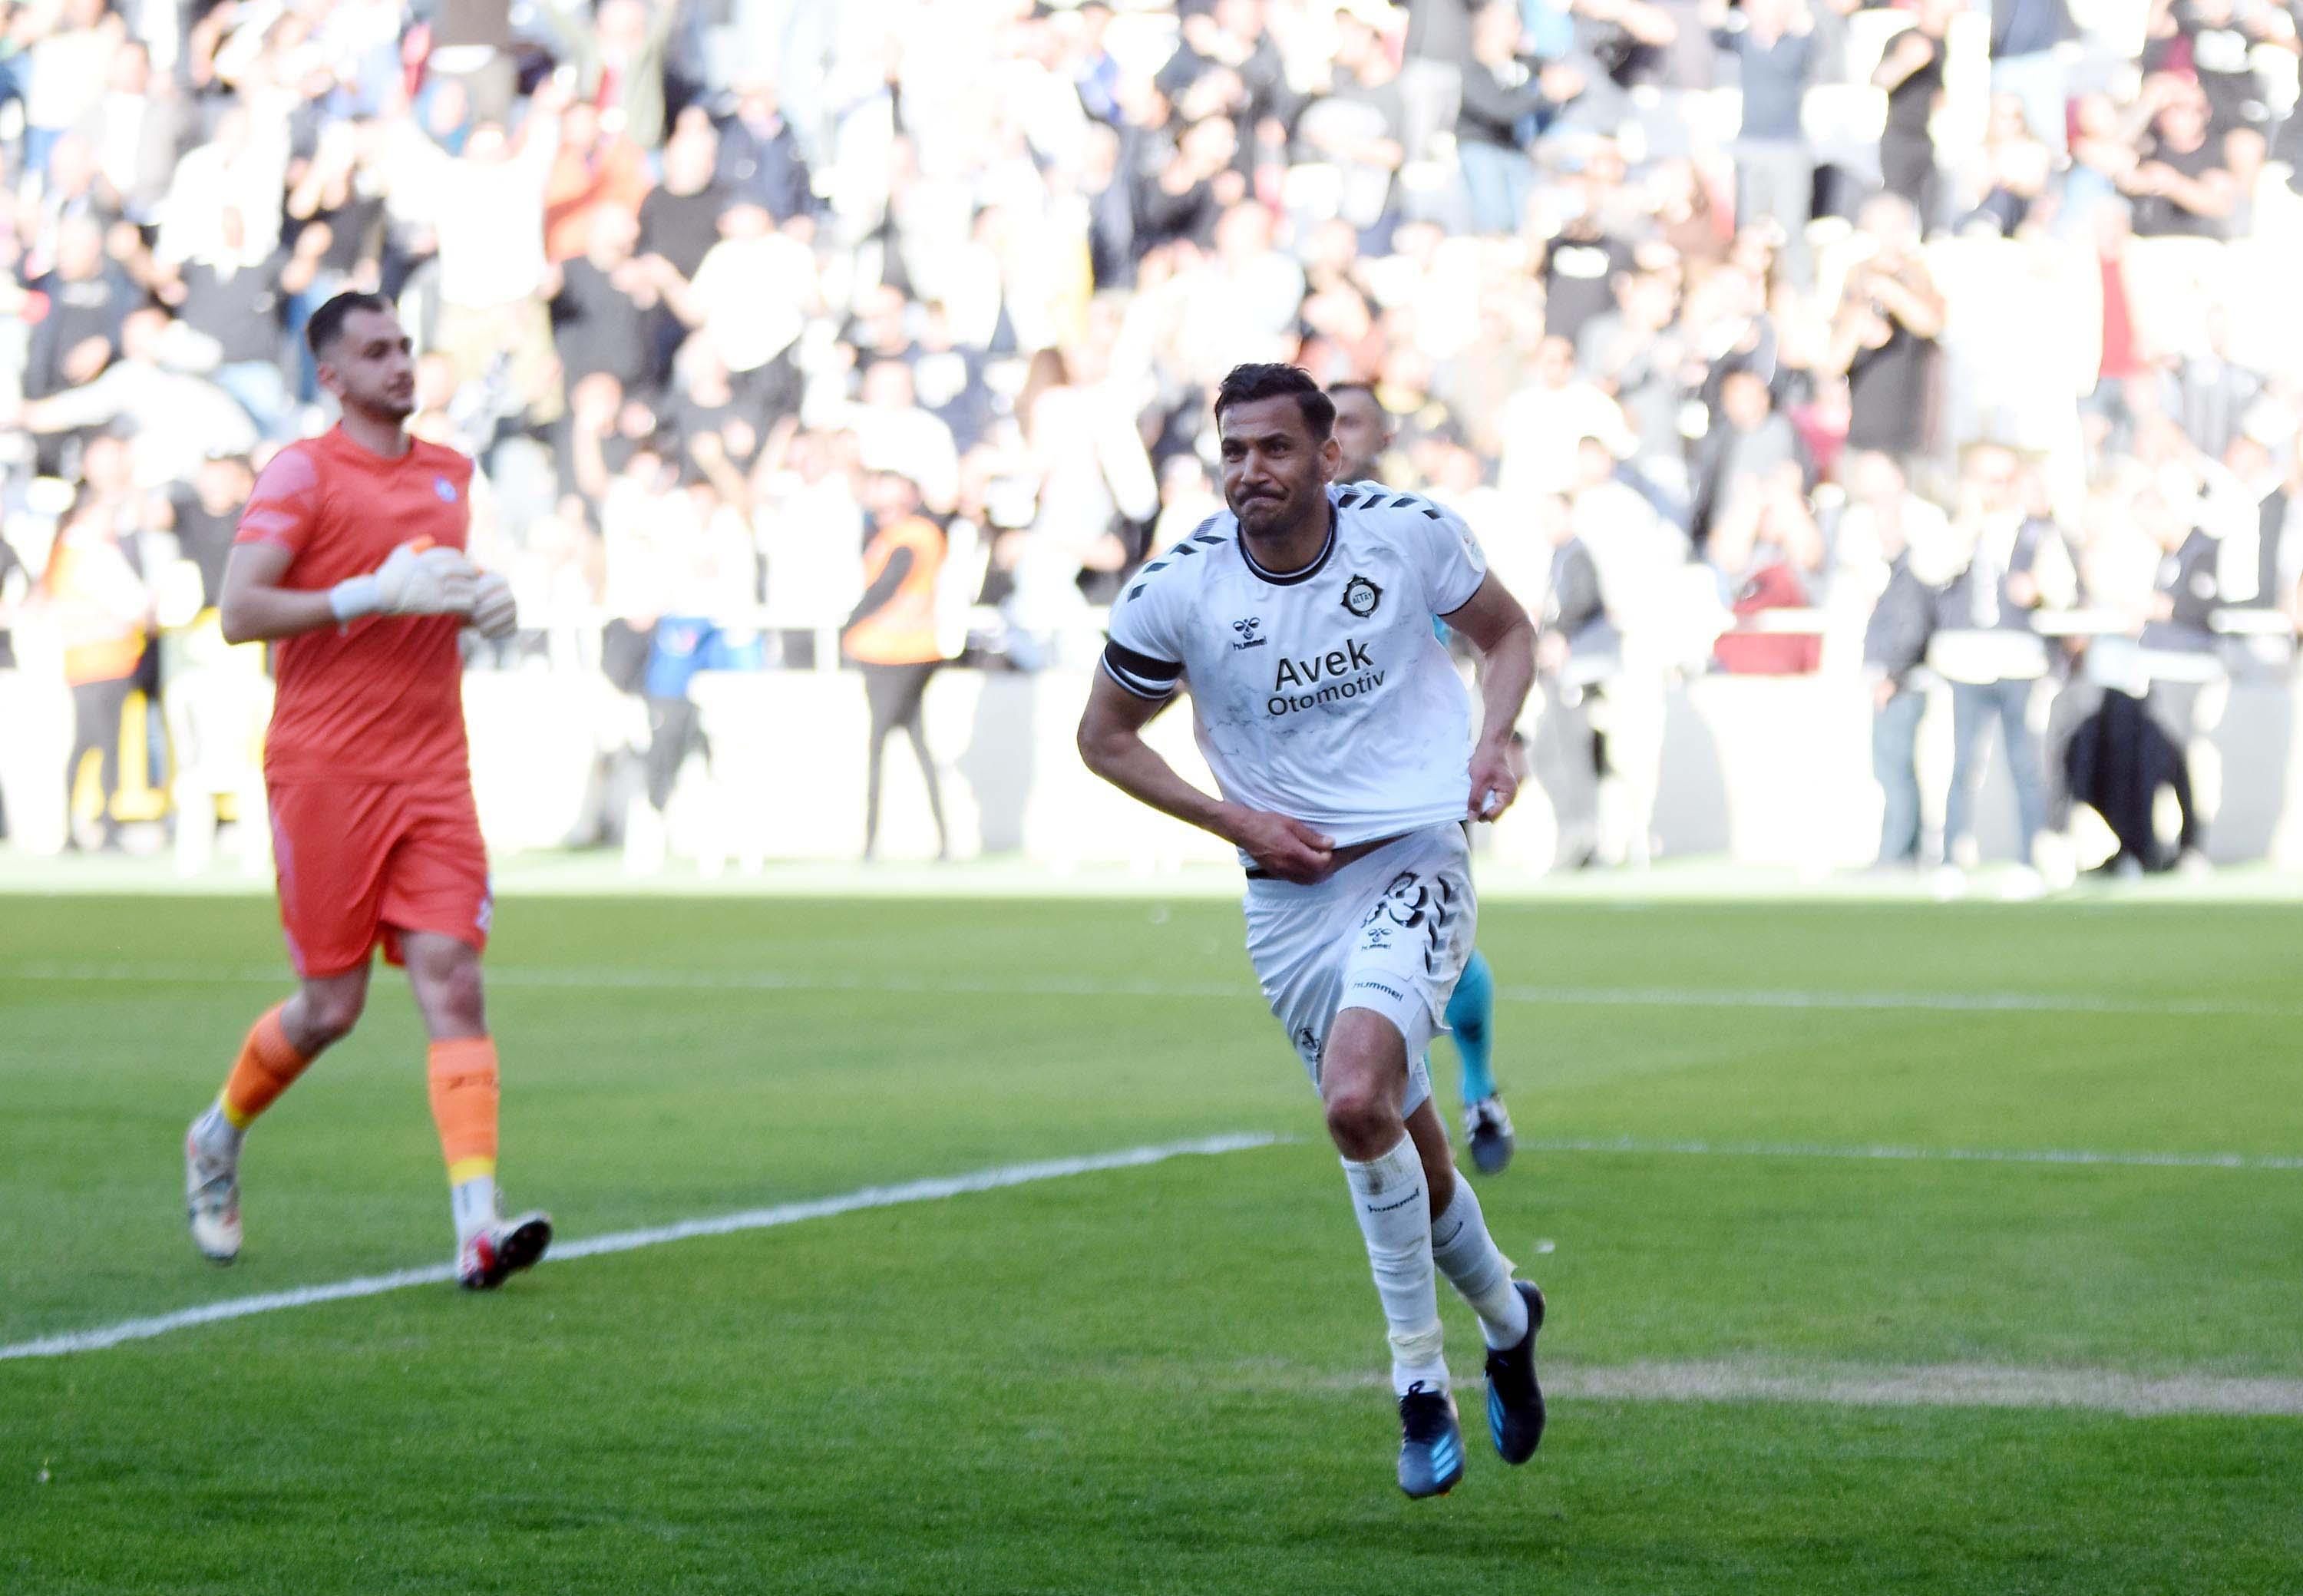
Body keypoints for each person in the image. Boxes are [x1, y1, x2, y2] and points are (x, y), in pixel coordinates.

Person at [1077, 364, 1544, 1499]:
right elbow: (1106, 737)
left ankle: (1418, 1383)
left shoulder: (1408, 535)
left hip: (1414, 851)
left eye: (1276, 448)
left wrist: (1493, 739)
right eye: (1234, 450)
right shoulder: (1176, 591)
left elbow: (1509, 633)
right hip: (1287, 896)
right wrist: (1235, 820)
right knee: (1396, 1138)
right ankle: (1508, 1316)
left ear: (1329, 456)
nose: (1252, 470)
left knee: (1349, 1099)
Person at [180, 291, 547, 1291]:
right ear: (331, 376)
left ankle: (478, 1226)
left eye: (405, 346)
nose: (401, 364)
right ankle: (216, 1136)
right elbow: (239, 611)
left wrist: (487, 604)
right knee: (331, 1007)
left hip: (433, 767)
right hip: (326, 770)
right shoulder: (301, 471)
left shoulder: (450, 473)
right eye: (377, 351)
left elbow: (436, 591)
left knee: (453, 975)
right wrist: (364, 595)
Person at [1331, 382, 1514, 1174]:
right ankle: (1423, 1111)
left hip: (1422, 781)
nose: (1335, 435)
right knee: (1359, 959)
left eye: (1350, 421)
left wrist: (1500, 738)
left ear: (1382, 437)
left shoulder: (1414, 530)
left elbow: (1491, 634)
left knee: (1432, 945)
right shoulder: (1266, 544)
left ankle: (1473, 1088)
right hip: (1325, 790)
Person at [844, 471, 952, 863]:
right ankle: (940, 841)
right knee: (916, 743)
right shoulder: (892, 535)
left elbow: (887, 586)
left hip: (897, 652)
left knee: (879, 745)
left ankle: (871, 842)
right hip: (892, 651)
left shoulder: (914, 535)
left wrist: (849, 624)